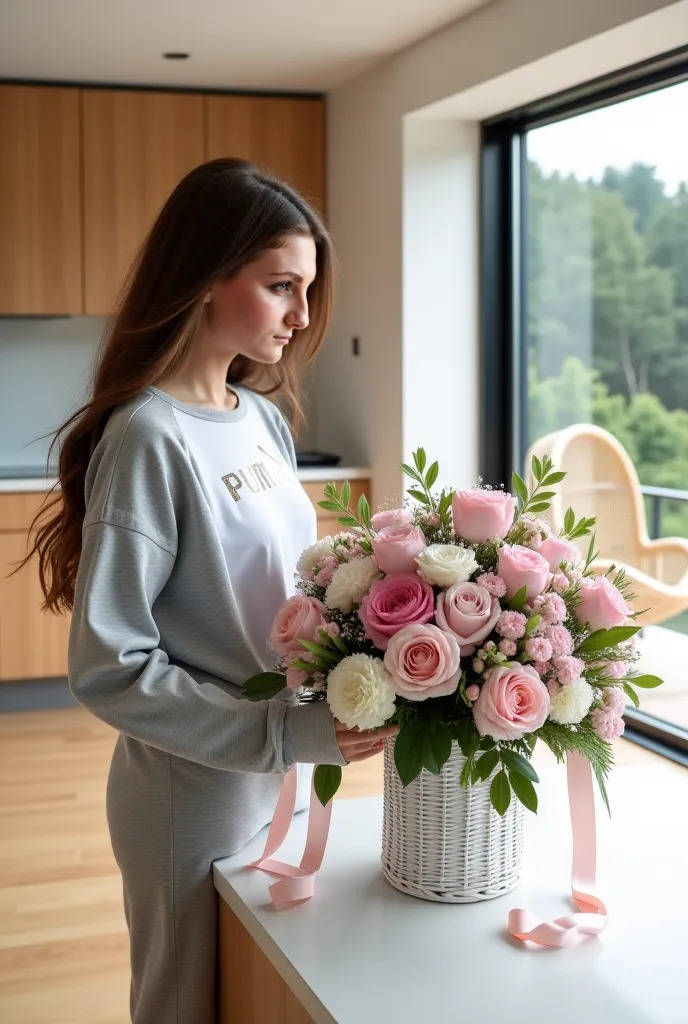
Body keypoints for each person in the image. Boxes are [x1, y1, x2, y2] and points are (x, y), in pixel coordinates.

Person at [28, 158, 399, 1023]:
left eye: (306, 290)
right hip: (190, 797)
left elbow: (285, 583)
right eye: (281, 287)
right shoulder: (149, 438)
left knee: (260, 998)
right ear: (206, 278)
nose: (302, 317)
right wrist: (286, 730)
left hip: (285, 768)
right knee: (183, 1007)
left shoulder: (259, 416)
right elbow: (110, 667)